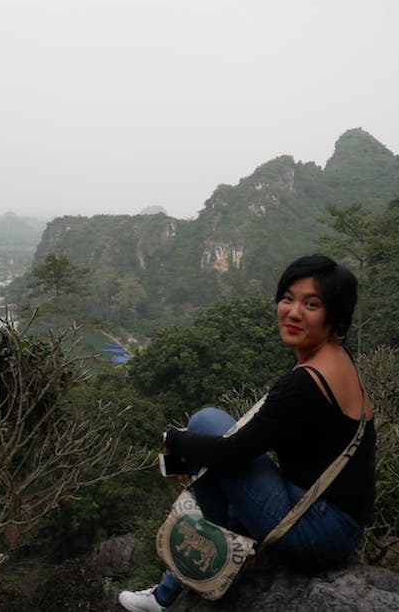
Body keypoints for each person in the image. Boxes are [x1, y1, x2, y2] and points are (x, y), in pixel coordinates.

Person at [118, 254, 376, 612]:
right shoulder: (337, 359)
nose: (294, 312)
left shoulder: (306, 382)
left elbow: (232, 452)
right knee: (212, 444)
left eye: (311, 304)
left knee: (208, 422)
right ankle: (168, 591)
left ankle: (202, 561)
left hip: (315, 531)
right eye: (288, 298)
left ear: (335, 318)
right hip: (332, 521)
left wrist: (175, 440)